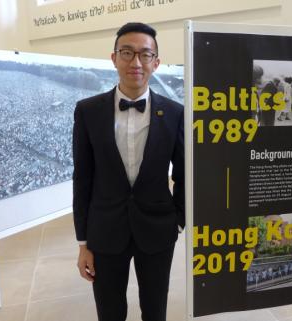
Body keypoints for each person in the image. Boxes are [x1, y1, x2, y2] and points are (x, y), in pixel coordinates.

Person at [72, 22, 184, 321]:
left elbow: (184, 172)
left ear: (156, 63)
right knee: (109, 312)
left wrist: (180, 219)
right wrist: (83, 242)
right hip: (105, 231)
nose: (136, 62)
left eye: (145, 54)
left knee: (155, 310)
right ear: (114, 58)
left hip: (158, 230)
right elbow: (82, 179)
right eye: (127, 53)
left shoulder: (175, 113)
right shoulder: (87, 111)